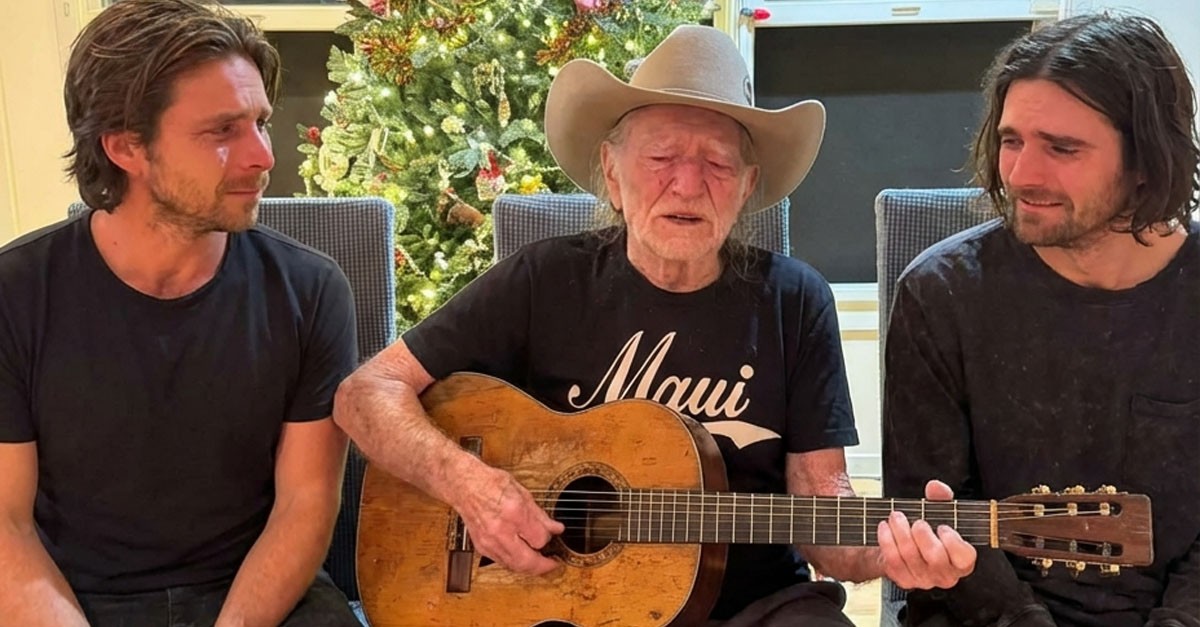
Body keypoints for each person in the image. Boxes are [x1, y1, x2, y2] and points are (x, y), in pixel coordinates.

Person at [334, 24, 975, 625]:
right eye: (661, 157)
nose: (688, 185)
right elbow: (365, 395)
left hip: (758, 606)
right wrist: (470, 485)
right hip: (565, 605)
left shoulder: (793, 299)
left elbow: (824, 523)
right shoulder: (544, 281)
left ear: (748, 185)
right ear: (612, 175)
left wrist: (896, 548)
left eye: (718, 165)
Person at [0, 0, 363, 625]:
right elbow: (6, 524)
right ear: (125, 147)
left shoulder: (311, 290)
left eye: (260, 123)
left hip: (259, 594)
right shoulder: (15, 294)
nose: (263, 156)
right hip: (70, 597)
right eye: (222, 131)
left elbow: (304, 505)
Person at [882, 12, 1200, 627]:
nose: (1022, 174)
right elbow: (940, 512)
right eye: (1011, 140)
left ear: (1146, 159)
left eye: (1062, 148)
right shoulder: (939, 293)